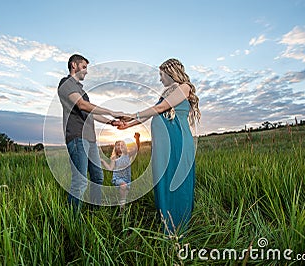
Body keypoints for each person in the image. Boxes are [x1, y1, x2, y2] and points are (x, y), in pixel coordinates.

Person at [118, 58, 200, 235]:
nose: (160, 79)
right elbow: (149, 114)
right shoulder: (166, 92)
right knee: (163, 178)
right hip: (163, 145)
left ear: (171, 72)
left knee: (177, 180)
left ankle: (179, 226)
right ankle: (167, 223)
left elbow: (162, 108)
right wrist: (128, 123)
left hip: (177, 141)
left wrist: (134, 114)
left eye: (161, 75)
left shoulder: (184, 87)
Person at [57, 54, 125, 210]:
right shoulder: (66, 83)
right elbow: (82, 105)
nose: (86, 72)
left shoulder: (81, 90)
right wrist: (111, 111)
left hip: (91, 139)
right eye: (84, 67)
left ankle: (95, 212)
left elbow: (91, 113)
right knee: (80, 181)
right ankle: (72, 221)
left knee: (97, 178)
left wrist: (111, 121)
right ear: (74, 65)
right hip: (77, 137)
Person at [100, 140, 136, 211]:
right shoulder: (114, 158)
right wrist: (103, 162)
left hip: (127, 179)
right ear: (115, 148)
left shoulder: (127, 155)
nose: (120, 146)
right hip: (117, 178)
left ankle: (122, 207)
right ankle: (122, 208)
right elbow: (110, 168)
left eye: (122, 144)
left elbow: (136, 150)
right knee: (123, 186)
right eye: (118, 145)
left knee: (124, 194)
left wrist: (137, 139)